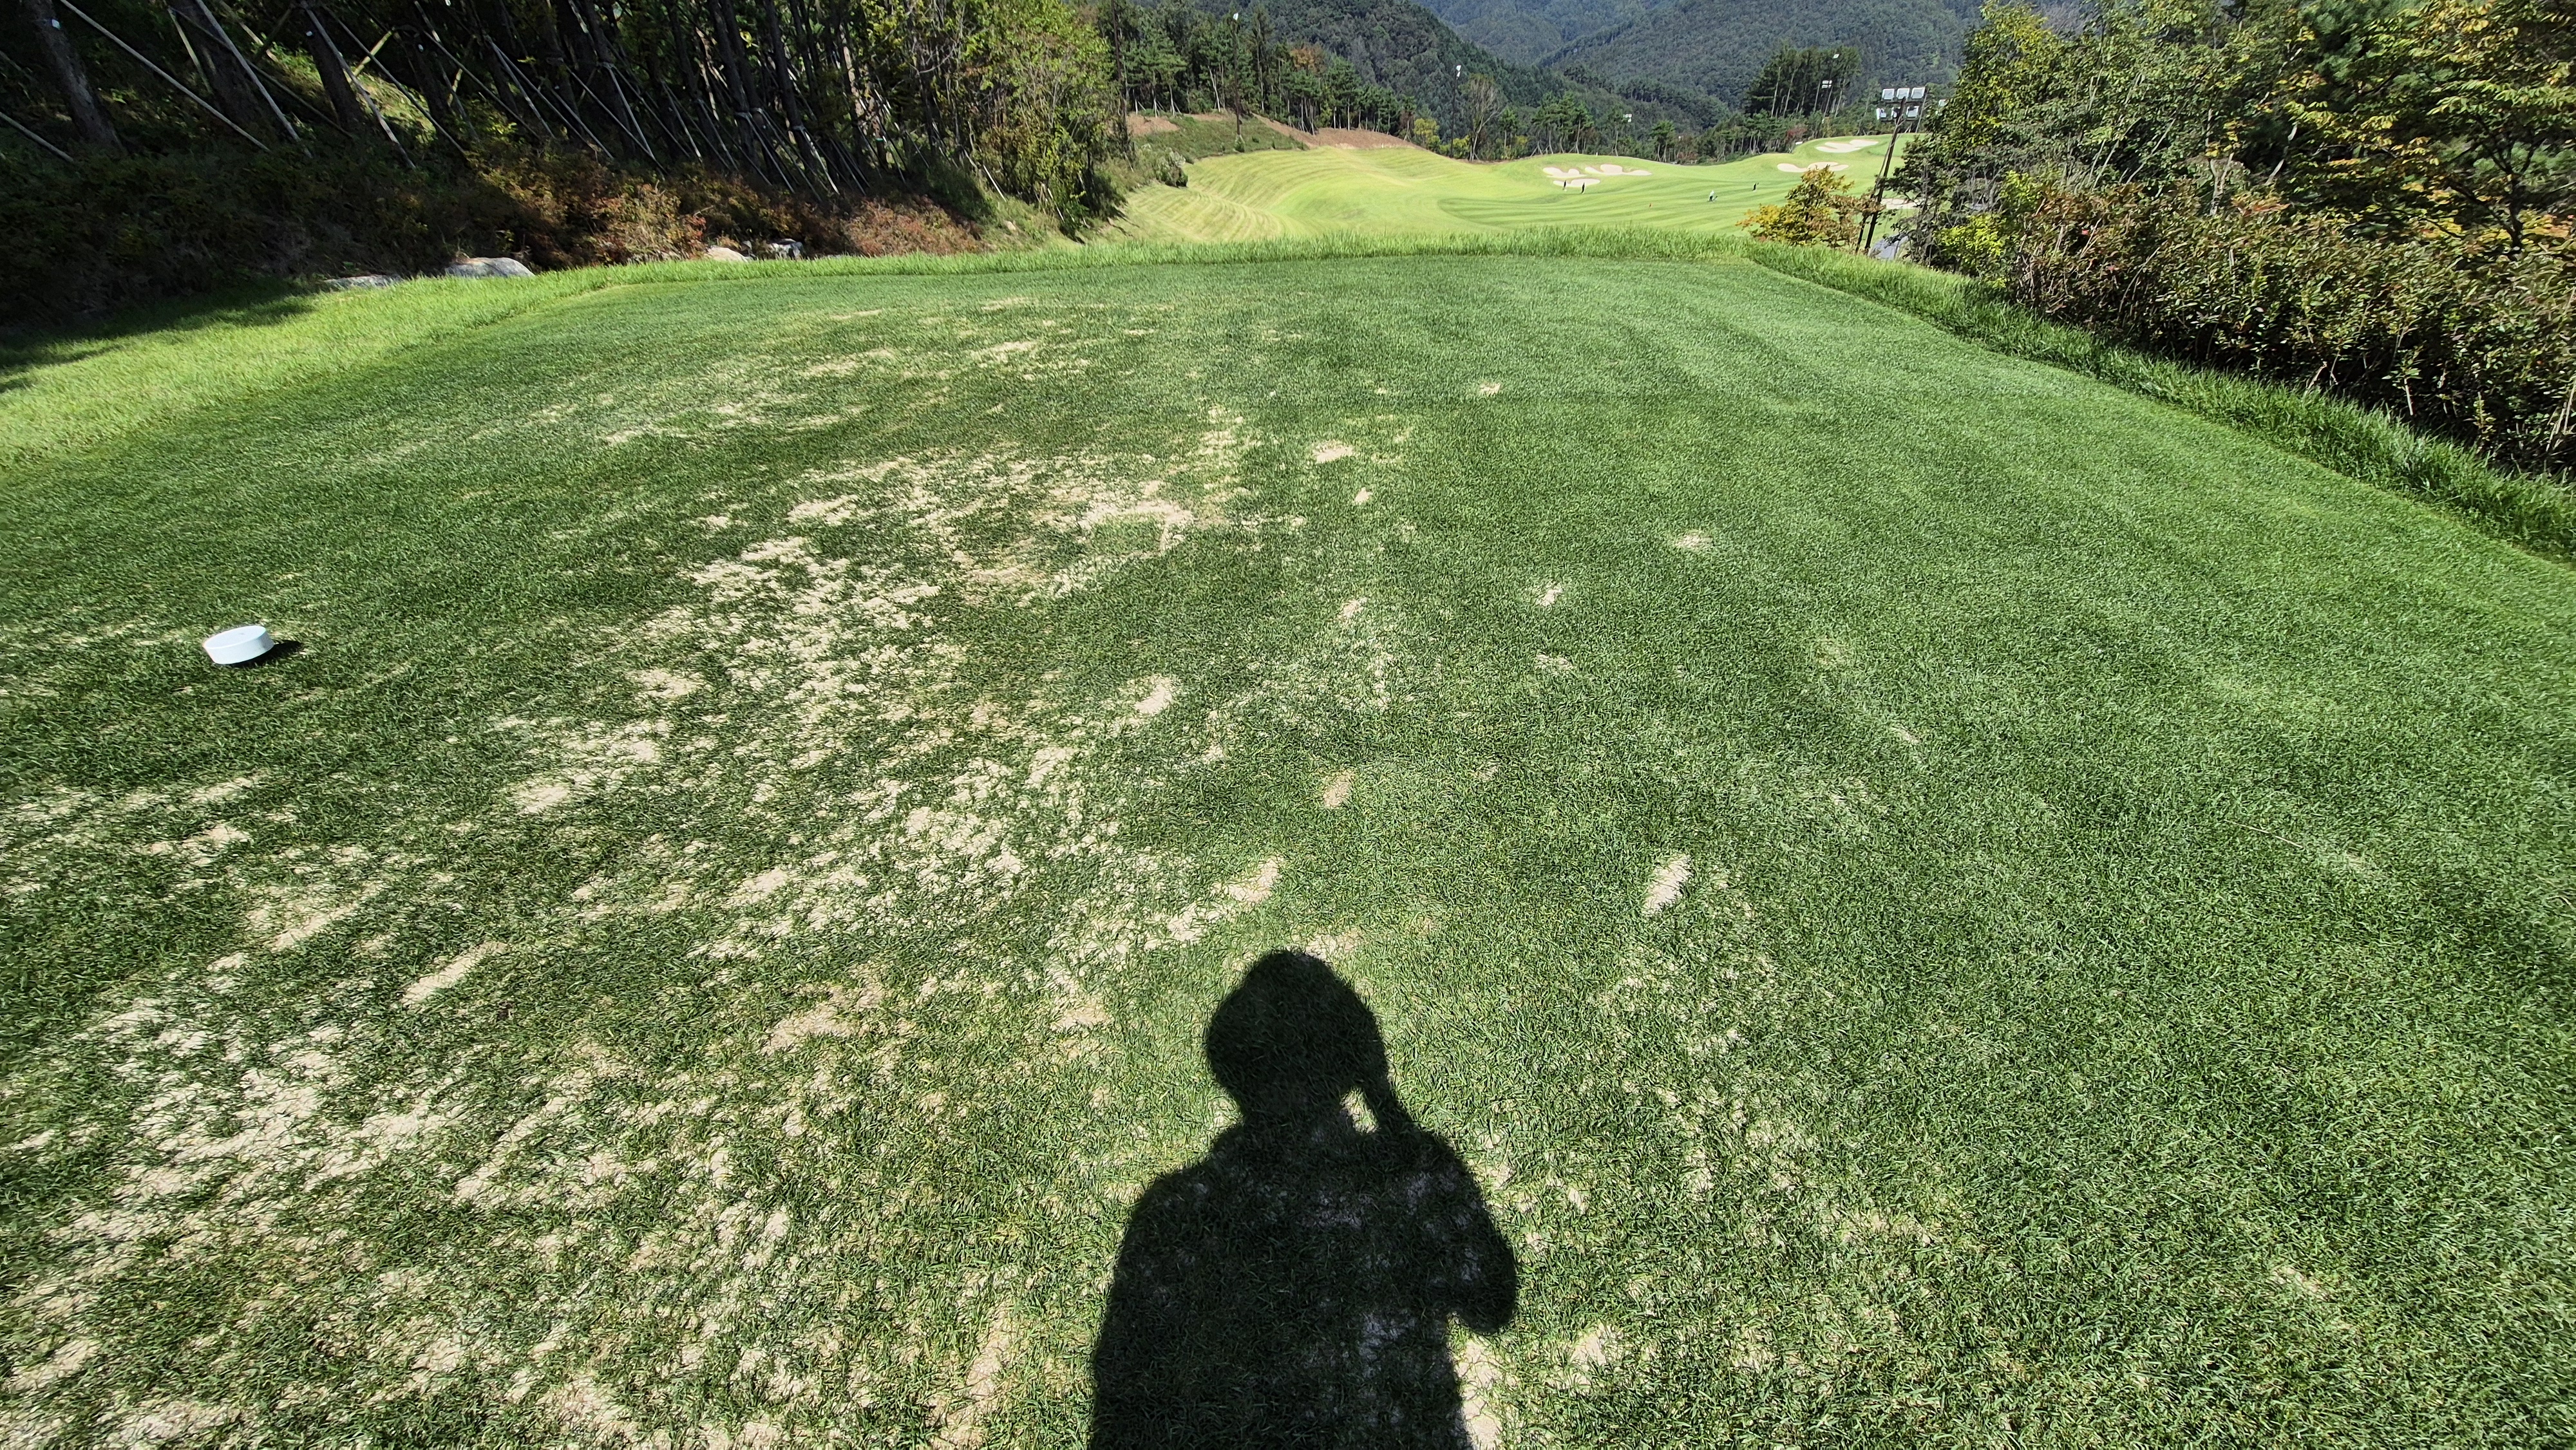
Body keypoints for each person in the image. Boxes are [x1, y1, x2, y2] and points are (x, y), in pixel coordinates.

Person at [1090, 951, 1517, 1449]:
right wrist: (1388, 1105)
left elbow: (1128, 1389)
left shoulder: (1177, 1210)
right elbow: (1491, 1307)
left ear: (1230, 1070)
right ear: (1353, 1061)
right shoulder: (1414, 1181)